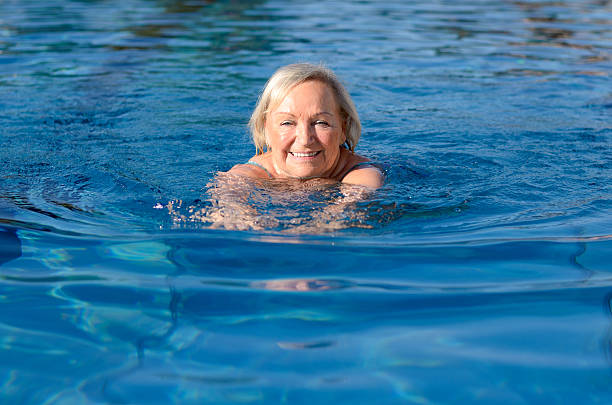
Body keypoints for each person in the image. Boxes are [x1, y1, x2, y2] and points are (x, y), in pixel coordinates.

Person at [228, 63, 384, 188]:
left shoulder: (362, 174)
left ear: (343, 129)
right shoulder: (245, 176)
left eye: (321, 123)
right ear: (266, 130)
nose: (305, 140)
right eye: (287, 123)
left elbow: (347, 216)